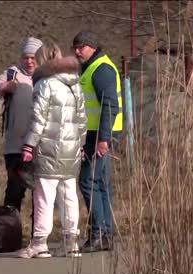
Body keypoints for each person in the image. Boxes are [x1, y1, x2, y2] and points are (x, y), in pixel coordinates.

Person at [12, 40, 88, 259]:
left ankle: (40, 243)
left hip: (47, 149)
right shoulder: (75, 84)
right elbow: (82, 120)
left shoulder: (44, 85)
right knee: (69, 196)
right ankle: (71, 243)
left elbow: (38, 119)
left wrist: (28, 145)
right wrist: (80, 145)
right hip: (71, 150)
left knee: (44, 196)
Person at [0, 37, 42, 212]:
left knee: (41, 197)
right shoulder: (12, 74)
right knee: (14, 193)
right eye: (25, 57)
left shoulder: (47, 75)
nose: (29, 61)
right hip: (16, 147)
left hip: (41, 147)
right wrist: (2, 88)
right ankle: (9, 232)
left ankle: (37, 237)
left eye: (33, 57)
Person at [72, 31, 123, 252]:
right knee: (100, 184)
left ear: (92, 46)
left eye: (81, 47)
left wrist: (103, 139)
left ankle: (98, 234)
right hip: (95, 133)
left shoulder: (101, 69)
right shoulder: (92, 67)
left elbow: (110, 105)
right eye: (75, 46)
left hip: (101, 134)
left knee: (88, 181)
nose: (76, 51)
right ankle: (105, 234)